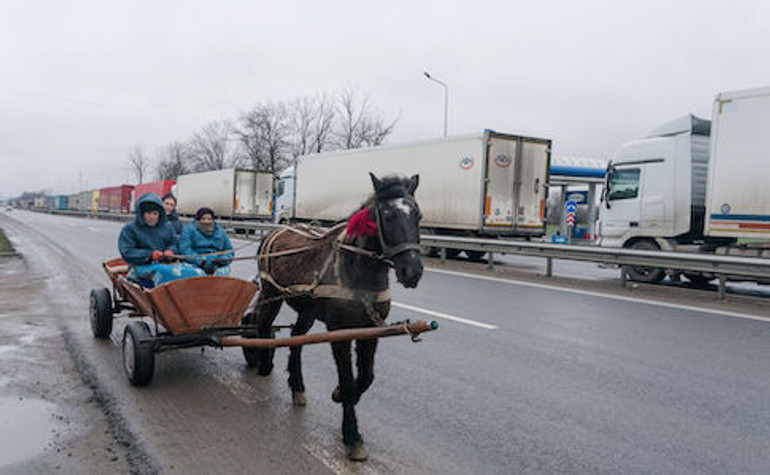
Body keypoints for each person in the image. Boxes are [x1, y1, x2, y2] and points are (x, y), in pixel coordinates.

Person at [118, 193, 205, 287]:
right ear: (142, 214)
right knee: (165, 273)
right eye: (148, 213)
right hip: (140, 266)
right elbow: (127, 252)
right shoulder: (130, 229)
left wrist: (170, 251)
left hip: (166, 264)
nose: (152, 217)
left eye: (155, 214)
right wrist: (150, 255)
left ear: (160, 214)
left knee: (197, 272)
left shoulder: (167, 227)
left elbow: (174, 243)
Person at [179, 207, 234, 276]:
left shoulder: (221, 232)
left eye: (209, 219)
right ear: (198, 220)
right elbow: (185, 249)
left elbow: (229, 250)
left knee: (221, 277)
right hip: (194, 262)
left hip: (216, 263)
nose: (206, 222)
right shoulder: (188, 230)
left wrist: (222, 260)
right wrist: (201, 262)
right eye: (203, 219)